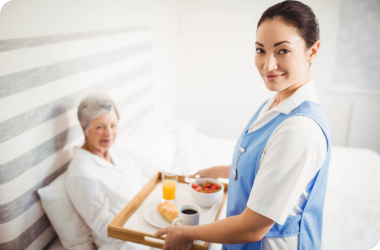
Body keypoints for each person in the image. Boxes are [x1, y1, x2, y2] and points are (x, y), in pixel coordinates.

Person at [154, 1, 330, 250]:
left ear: (312, 51)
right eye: (260, 50)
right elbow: (265, 165)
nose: (268, 65)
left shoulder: (299, 128)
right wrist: (219, 170)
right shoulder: (277, 101)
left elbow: (252, 227)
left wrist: (186, 233)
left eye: (282, 51)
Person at [66, 93, 150, 250]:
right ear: (84, 128)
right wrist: (146, 230)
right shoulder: (81, 173)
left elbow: (141, 181)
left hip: (147, 221)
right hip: (124, 243)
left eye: (113, 125)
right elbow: (105, 229)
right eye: (100, 126)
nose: (109, 134)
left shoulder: (114, 150)